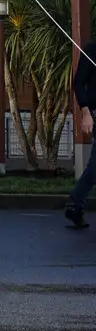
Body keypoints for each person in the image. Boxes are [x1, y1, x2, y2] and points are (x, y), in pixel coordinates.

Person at [64, 39, 96, 229]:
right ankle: (75, 204)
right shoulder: (92, 50)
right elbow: (78, 83)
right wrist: (86, 112)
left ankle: (75, 204)